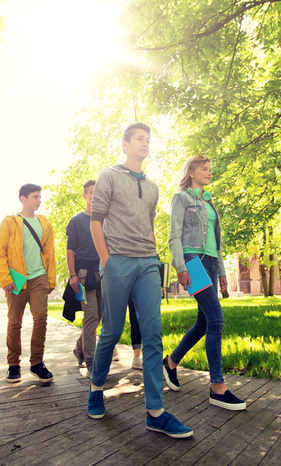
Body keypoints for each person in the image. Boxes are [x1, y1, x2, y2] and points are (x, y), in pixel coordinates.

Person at [86, 122, 193, 439]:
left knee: (153, 333)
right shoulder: (108, 176)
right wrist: (107, 261)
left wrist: (154, 257)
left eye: (148, 139)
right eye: (139, 139)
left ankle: (155, 412)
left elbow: (148, 226)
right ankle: (95, 389)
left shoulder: (153, 186)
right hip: (117, 261)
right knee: (112, 331)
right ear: (125, 144)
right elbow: (96, 222)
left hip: (147, 262)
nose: (145, 144)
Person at [163, 155, 246, 411]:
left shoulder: (209, 203)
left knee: (203, 322)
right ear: (190, 172)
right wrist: (180, 267)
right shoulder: (182, 199)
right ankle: (217, 387)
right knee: (216, 320)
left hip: (210, 263)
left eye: (210, 168)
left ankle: (170, 363)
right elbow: (174, 236)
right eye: (204, 168)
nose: (209, 172)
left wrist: (222, 273)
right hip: (193, 261)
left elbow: (217, 243)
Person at [0, 184, 56, 384]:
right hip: (17, 279)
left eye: (39, 197)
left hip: (39, 277)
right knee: (15, 322)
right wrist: (5, 279)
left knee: (41, 318)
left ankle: (37, 363)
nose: (39, 200)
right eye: (34, 197)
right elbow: (0, 252)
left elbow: (50, 253)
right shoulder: (10, 222)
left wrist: (50, 279)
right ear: (23, 198)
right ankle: (13, 365)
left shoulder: (44, 223)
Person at [67, 179, 102, 377]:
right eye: (91, 193)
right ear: (85, 196)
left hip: (104, 272)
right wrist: (73, 274)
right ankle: (91, 363)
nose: (94, 197)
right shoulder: (76, 221)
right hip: (84, 274)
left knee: (100, 315)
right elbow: (70, 249)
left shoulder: (105, 220)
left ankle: (79, 348)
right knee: (90, 317)